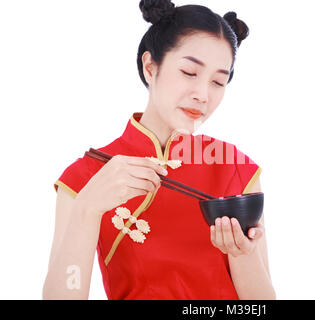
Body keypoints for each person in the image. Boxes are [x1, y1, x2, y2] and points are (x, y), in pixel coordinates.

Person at [43, 0, 275, 300]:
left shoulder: (234, 167)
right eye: (189, 73)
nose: (203, 95)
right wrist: (87, 208)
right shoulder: (86, 175)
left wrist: (243, 253)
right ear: (150, 66)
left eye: (218, 81)